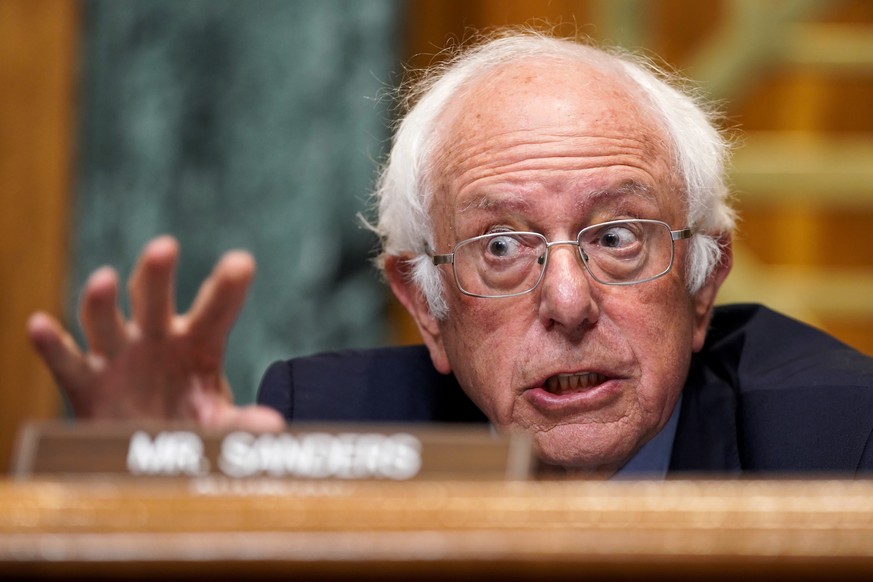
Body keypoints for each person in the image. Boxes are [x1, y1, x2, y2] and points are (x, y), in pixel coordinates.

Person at [27, 31, 873, 477]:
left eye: (616, 238)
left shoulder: (836, 442)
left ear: (701, 287)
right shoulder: (328, 430)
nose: (569, 303)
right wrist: (158, 506)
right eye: (500, 246)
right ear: (424, 305)